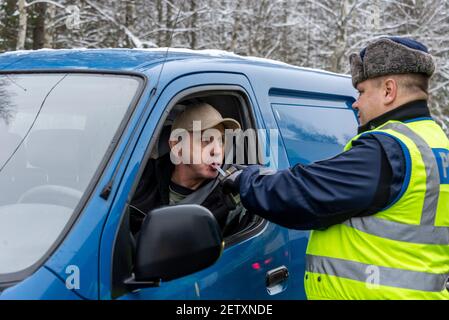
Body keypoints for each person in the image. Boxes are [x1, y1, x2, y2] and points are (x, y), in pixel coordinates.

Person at [222, 37, 449, 299]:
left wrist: (243, 178)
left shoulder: (389, 151)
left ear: (389, 90)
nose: (355, 103)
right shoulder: (435, 143)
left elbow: (304, 193)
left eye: (362, 92)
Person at [131, 101, 246, 236]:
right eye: (206, 140)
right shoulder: (140, 179)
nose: (217, 151)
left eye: (220, 141)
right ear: (177, 146)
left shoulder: (230, 194)